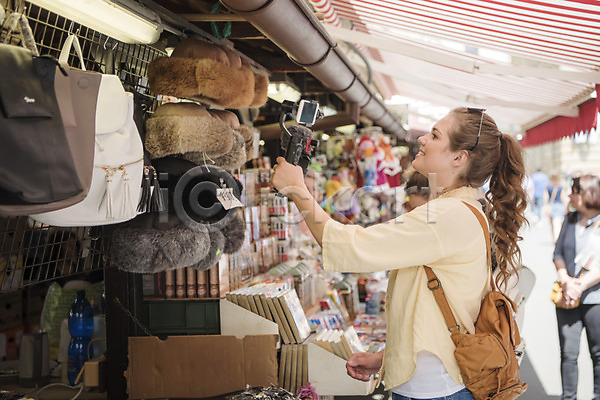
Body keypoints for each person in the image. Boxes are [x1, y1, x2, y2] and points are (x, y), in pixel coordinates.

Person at [272, 107, 528, 400]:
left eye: (435, 135)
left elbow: (353, 246)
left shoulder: (446, 214)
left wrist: (297, 189)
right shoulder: (463, 209)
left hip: (434, 390)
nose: (422, 140)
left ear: (459, 157)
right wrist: (386, 357)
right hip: (437, 382)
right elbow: (431, 307)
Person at [552, 174, 600, 400]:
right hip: (567, 296)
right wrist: (566, 281)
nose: (569, 195)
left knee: (598, 354)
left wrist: (580, 285)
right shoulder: (570, 219)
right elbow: (558, 253)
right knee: (568, 354)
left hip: (595, 299)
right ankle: (569, 397)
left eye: (574, 192)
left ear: (588, 194)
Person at [545, 172, 567, 243]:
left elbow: (545, 198)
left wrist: (546, 206)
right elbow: (563, 197)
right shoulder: (560, 187)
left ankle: (555, 238)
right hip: (559, 205)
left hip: (551, 206)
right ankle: (556, 238)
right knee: (557, 223)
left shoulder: (548, 187)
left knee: (553, 223)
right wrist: (566, 207)